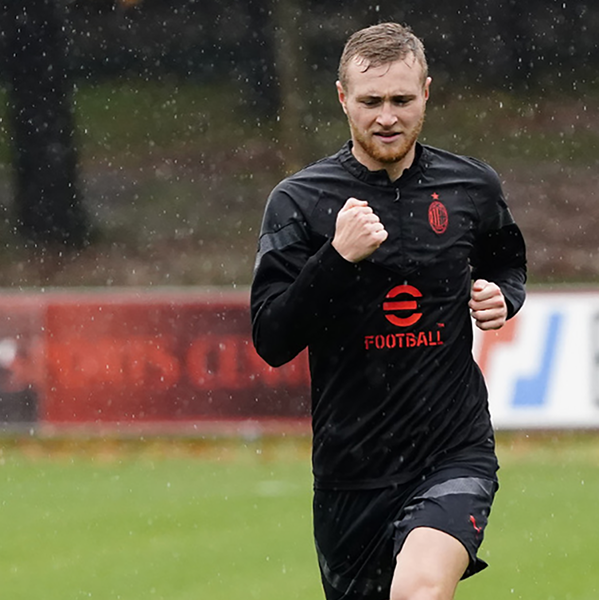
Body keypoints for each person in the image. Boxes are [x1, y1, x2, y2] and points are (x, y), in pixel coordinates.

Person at [250, 23, 527, 600]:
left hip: (452, 452)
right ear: (342, 98)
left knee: (419, 592)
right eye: (371, 101)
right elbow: (273, 337)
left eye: (402, 100)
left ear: (426, 92)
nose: (387, 117)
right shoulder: (299, 201)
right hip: (350, 470)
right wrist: (336, 258)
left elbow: (507, 262)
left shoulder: (471, 185)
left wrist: (504, 296)